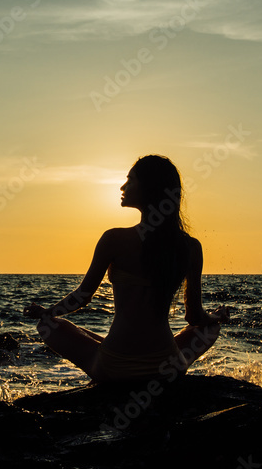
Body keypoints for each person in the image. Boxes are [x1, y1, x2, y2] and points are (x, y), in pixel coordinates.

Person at [23, 154, 228, 383]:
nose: (123, 186)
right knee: (209, 328)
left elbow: (82, 297)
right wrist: (216, 316)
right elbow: (194, 316)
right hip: (168, 366)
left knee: (49, 325)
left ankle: (104, 347)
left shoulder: (113, 239)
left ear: (149, 188)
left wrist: (47, 312)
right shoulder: (190, 247)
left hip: (114, 368)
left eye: (130, 181)